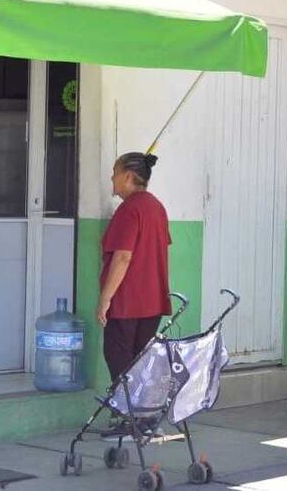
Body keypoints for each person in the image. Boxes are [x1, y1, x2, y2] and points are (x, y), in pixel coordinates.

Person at [97, 152, 172, 436]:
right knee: (141, 361)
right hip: (152, 300)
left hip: (127, 301)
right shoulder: (157, 207)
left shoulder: (130, 210)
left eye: (115, 173)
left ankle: (129, 417)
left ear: (128, 176)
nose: (112, 180)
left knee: (119, 357)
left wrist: (105, 299)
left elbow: (123, 257)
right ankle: (144, 417)